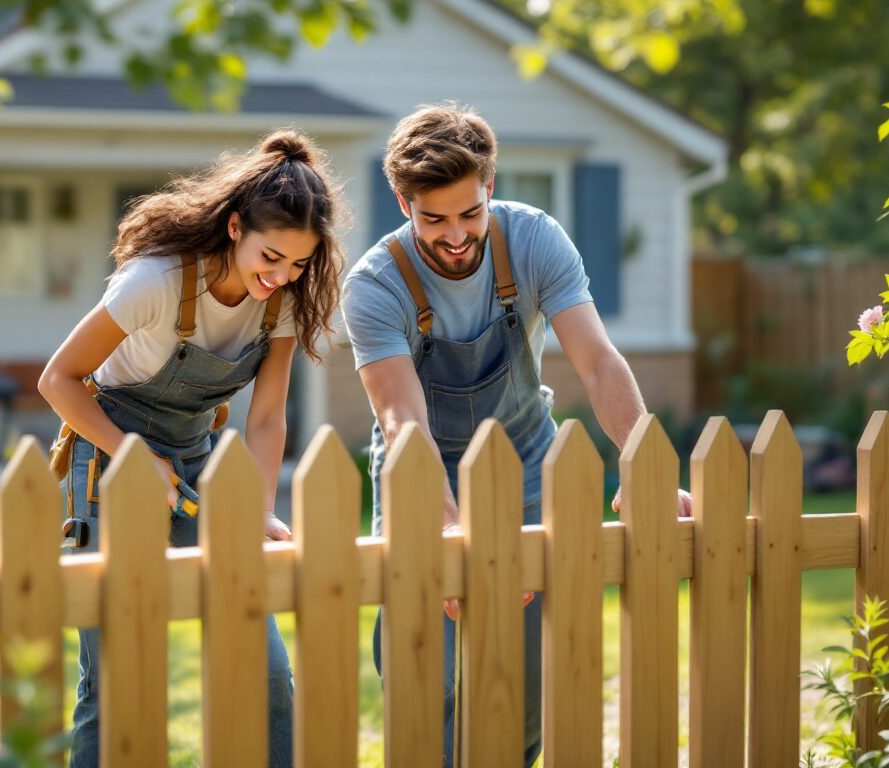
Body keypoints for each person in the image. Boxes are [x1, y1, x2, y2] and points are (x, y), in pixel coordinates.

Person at [341, 103, 691, 767]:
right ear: (402, 200)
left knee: (530, 679)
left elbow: (597, 361)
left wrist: (647, 463)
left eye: (469, 214)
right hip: (422, 471)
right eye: (433, 218)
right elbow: (400, 419)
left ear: (490, 187)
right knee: (425, 675)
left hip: (526, 466)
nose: (454, 236)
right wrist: (442, 524)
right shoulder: (374, 287)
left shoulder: (534, 240)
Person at [38, 130, 346, 768]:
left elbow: (265, 420)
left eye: (297, 264)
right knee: (118, 677)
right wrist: (131, 458)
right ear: (235, 227)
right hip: (109, 456)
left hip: (203, 460)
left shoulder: (280, 301)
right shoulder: (152, 282)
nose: (281, 276)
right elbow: (58, 382)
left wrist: (255, 510)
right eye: (271, 256)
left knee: (265, 672)